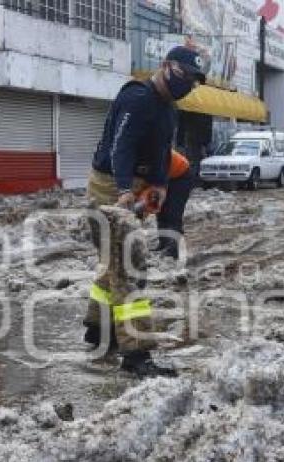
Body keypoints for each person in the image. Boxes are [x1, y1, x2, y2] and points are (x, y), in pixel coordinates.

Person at [84, 46, 206, 377]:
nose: (189, 85)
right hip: (111, 186)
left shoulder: (169, 110)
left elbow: (163, 155)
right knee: (129, 266)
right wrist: (124, 191)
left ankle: (98, 330)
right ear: (166, 66)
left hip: (137, 186)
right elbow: (120, 146)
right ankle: (136, 356)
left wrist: (160, 186)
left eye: (194, 81)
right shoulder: (138, 98)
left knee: (114, 264)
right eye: (185, 75)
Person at [156, 150, 194, 260]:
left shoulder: (153, 151)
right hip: (166, 176)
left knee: (173, 213)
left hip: (181, 175)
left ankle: (173, 249)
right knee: (160, 211)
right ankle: (163, 244)